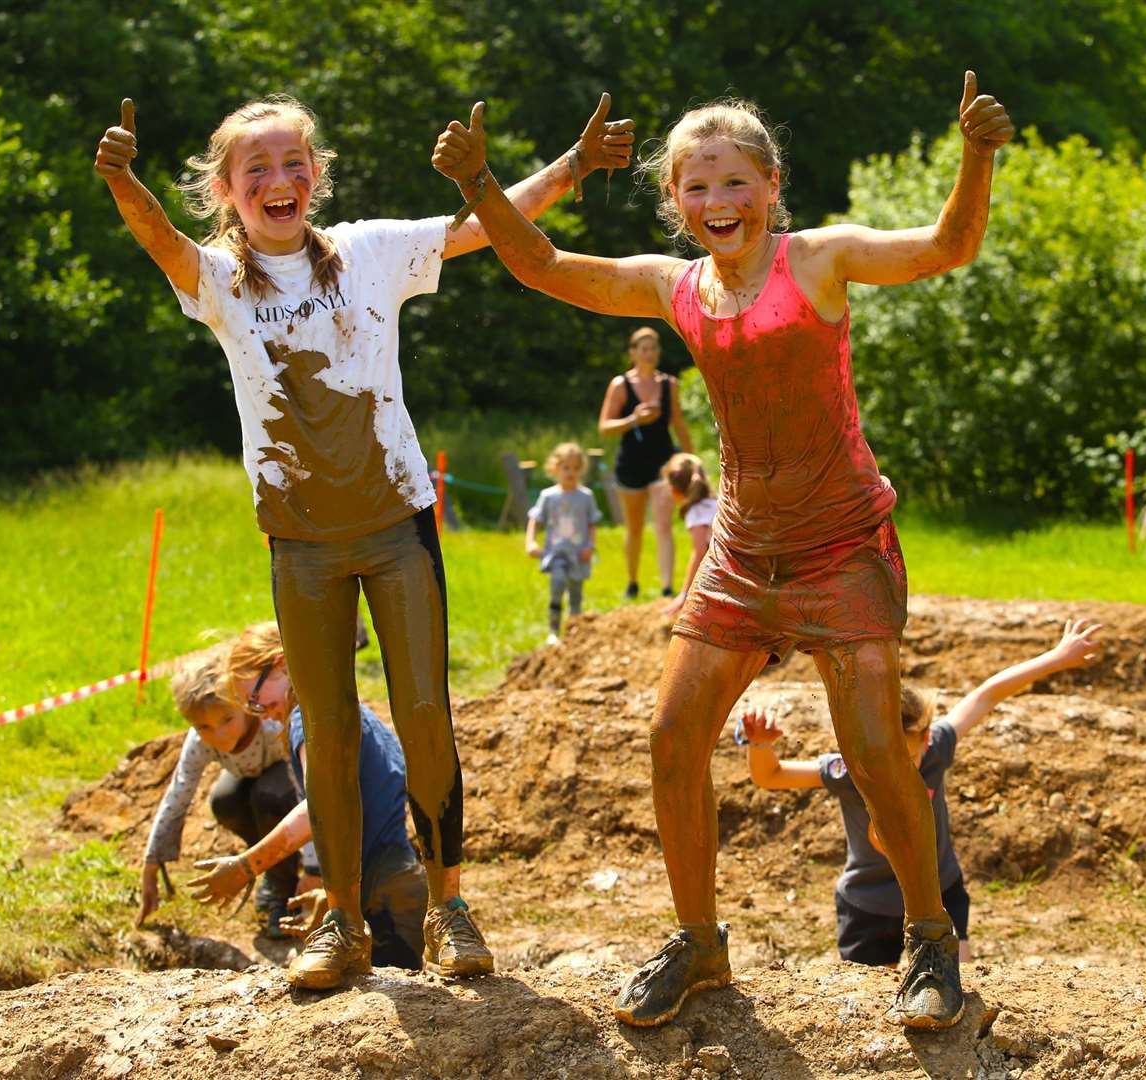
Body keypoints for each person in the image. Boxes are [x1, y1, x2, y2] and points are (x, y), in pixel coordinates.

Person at [430, 72, 1014, 1028]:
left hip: (841, 548)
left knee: (874, 751)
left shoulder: (818, 261)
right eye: (695, 188)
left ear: (772, 185)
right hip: (742, 554)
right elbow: (540, 264)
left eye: (734, 182)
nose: (716, 203)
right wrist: (482, 186)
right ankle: (699, 945)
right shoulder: (678, 288)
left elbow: (951, 246)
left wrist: (977, 155)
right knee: (671, 737)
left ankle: (929, 939)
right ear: (673, 201)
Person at [94, 90, 634, 988]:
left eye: (293, 163)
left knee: (426, 716)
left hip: (397, 528)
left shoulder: (370, 251)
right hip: (299, 544)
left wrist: (572, 168)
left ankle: (451, 907)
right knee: (329, 729)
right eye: (255, 169)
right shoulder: (220, 283)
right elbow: (158, 240)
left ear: (317, 175)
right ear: (227, 190)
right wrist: (122, 180)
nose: (279, 180)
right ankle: (340, 923)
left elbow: (475, 229)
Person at [737, 618, 1104, 967]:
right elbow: (772, 776)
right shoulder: (853, 768)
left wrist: (1056, 657)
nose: (896, 766)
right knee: (867, 999)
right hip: (869, 904)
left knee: (957, 978)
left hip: (940, 892)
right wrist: (759, 745)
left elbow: (987, 694)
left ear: (924, 740)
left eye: (907, 756)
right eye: (884, 755)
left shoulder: (936, 749)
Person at [184, 623, 429, 975]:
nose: (259, 711)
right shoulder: (342, 707)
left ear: (282, 665)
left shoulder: (307, 718)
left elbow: (319, 804)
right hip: (392, 884)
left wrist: (247, 866)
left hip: (383, 893)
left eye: (254, 697)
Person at [136, 649, 312, 937]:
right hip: (248, 780)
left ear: (242, 704)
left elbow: (310, 799)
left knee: (268, 797)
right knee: (224, 802)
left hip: (284, 775)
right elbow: (178, 793)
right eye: (204, 726)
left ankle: (281, 891)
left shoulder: (272, 725)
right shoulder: (199, 743)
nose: (219, 735)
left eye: (227, 720)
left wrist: (316, 870)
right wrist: (151, 862)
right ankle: (277, 866)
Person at [598, 327, 693, 600]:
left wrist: (690, 460)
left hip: (663, 463)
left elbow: (679, 425)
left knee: (663, 524)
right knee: (635, 528)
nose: (649, 354)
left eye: (654, 348)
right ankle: (632, 582)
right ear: (633, 353)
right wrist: (635, 419)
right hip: (630, 464)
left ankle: (666, 588)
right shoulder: (620, 385)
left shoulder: (668, 385)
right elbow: (605, 427)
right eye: (644, 348)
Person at [525, 442, 601, 642]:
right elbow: (535, 519)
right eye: (566, 467)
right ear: (555, 468)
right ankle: (553, 629)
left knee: (576, 594)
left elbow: (592, 523)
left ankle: (574, 632)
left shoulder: (586, 496)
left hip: (578, 554)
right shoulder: (548, 496)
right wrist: (530, 542)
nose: (571, 472)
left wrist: (590, 546)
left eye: (576, 468)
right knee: (557, 585)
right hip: (556, 553)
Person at [660, 452, 715, 619]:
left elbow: (699, 553)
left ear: (674, 489)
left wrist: (684, 595)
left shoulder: (697, 511)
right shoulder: (714, 502)